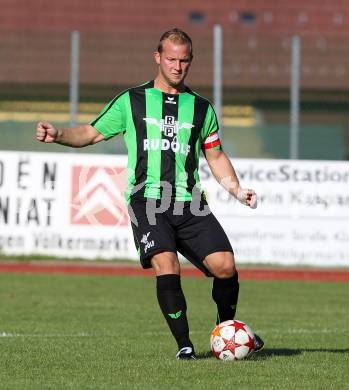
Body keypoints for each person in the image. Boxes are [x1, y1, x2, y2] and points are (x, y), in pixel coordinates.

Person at [36, 28, 264, 360]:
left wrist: (236, 189)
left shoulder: (201, 108)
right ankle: (185, 346)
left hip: (190, 203)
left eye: (184, 60)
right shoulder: (132, 100)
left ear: (191, 61)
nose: (177, 66)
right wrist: (58, 134)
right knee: (166, 263)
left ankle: (226, 331)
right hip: (147, 202)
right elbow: (88, 132)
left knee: (226, 266)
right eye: (171, 59)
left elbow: (214, 155)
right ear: (158, 57)